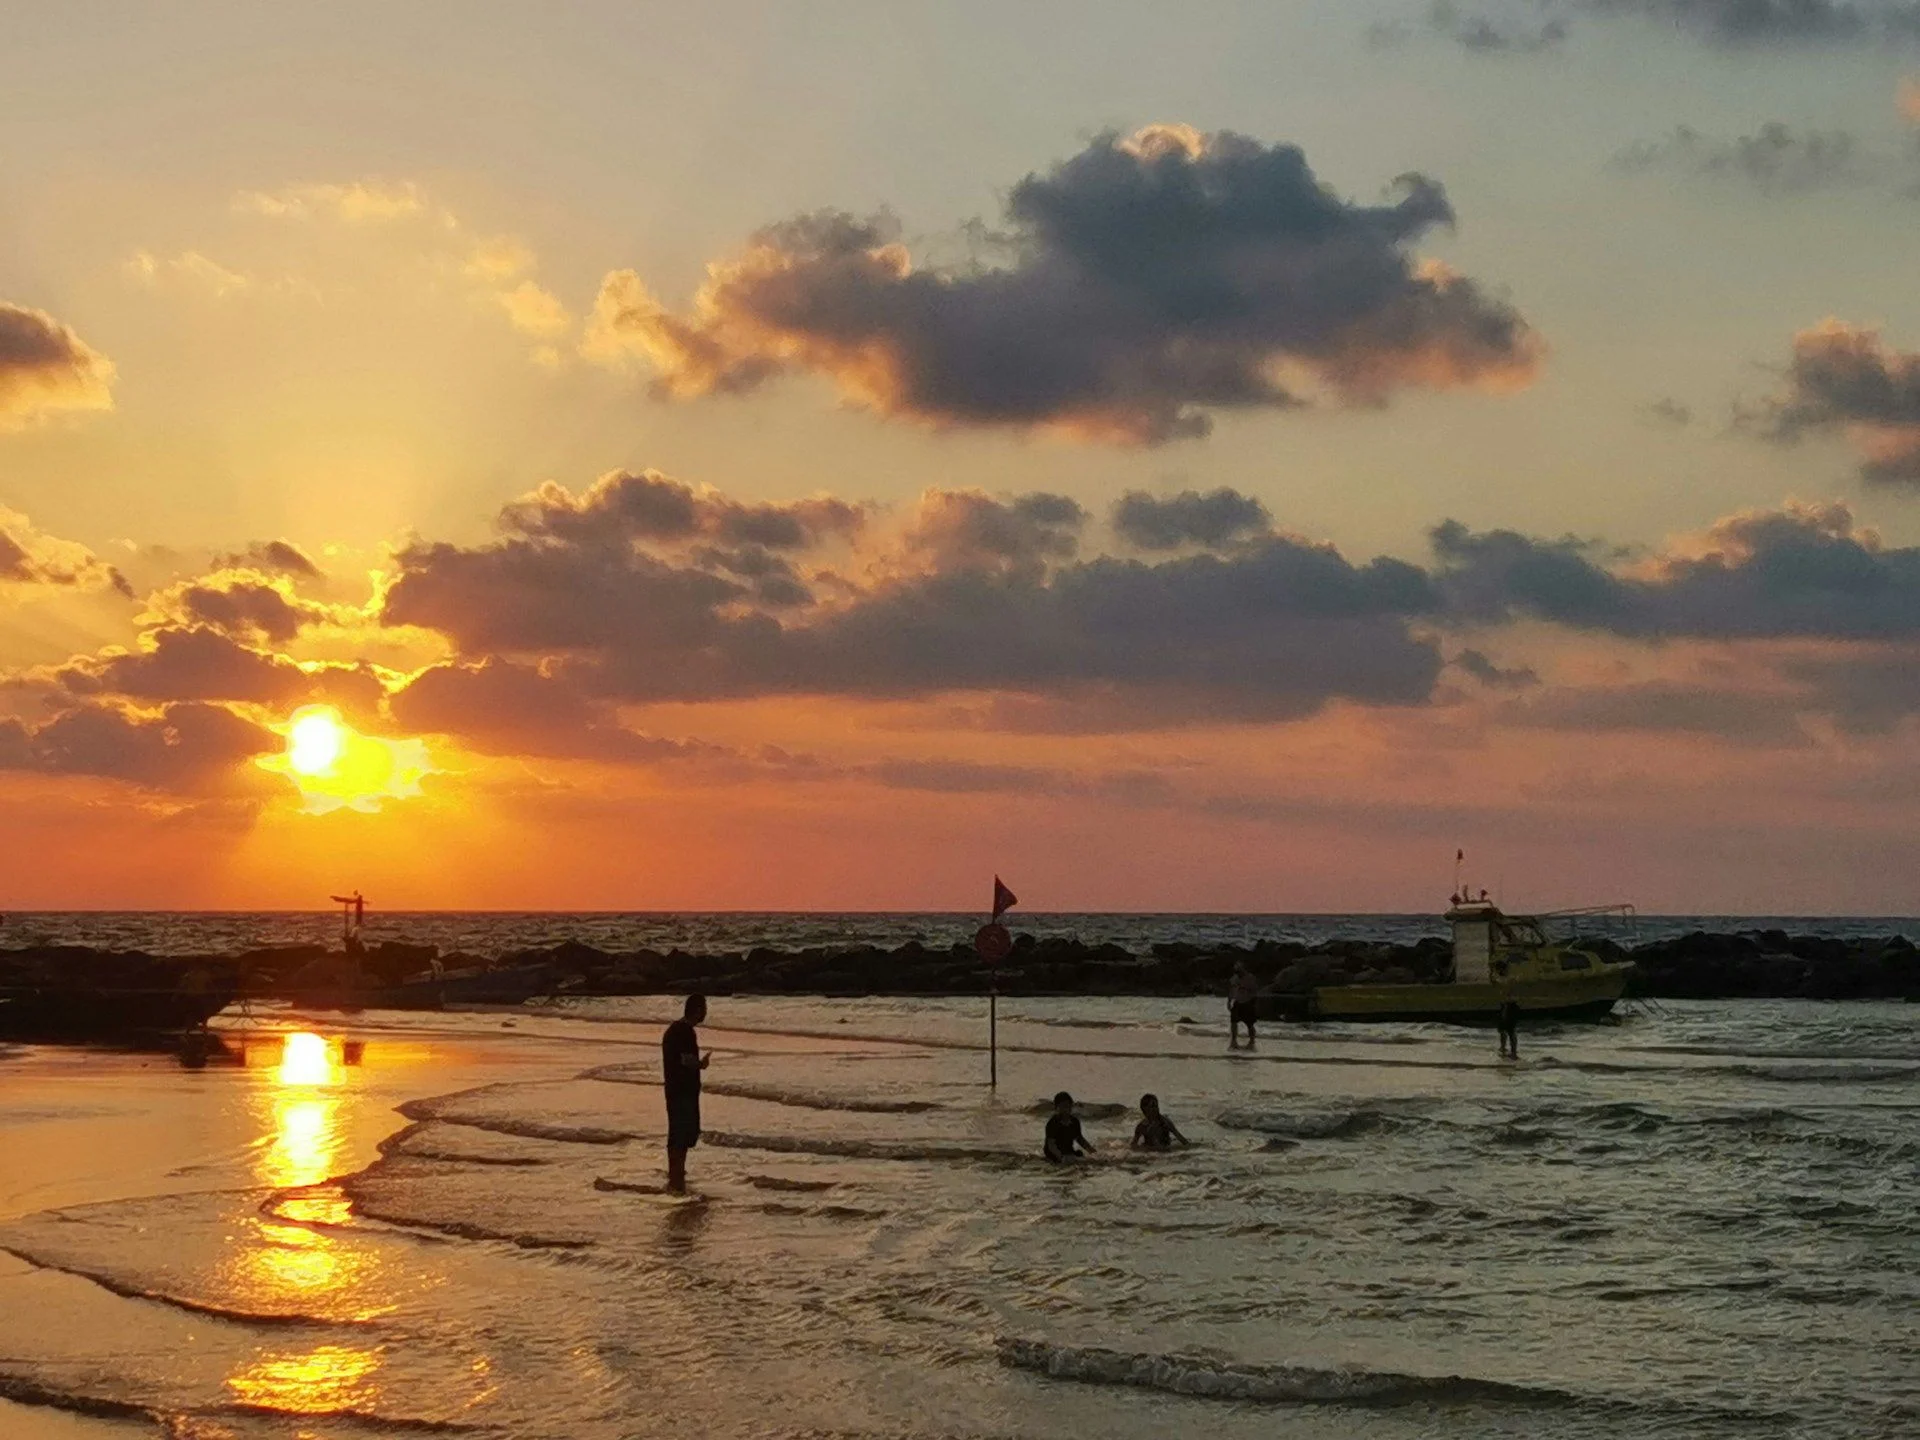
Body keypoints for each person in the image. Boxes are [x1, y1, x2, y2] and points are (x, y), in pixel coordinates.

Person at [662, 993, 710, 1192]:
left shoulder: (676, 1029)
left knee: (678, 1133)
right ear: (697, 1010)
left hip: (675, 1088)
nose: (706, 1013)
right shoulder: (684, 1032)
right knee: (681, 1134)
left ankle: (676, 1171)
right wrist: (701, 1064)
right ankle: (676, 1172)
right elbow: (686, 1059)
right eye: (704, 1009)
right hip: (682, 1090)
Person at [1043, 1091, 1094, 1163]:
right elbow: (1051, 1145)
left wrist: (1093, 1152)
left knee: (1083, 1158)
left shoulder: (1074, 1121)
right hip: (1053, 1154)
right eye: (1063, 1106)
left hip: (1068, 1151)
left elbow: (1080, 1139)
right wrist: (1060, 1157)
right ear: (1056, 1108)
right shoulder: (1053, 1123)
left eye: (1068, 1106)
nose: (1066, 1110)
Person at [1228, 960, 1258, 1049]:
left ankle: (1252, 1041)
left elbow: (1254, 991)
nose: (1237, 971)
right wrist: (1229, 1001)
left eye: (1239, 969)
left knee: (1250, 1024)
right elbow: (1231, 990)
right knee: (1233, 1022)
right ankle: (1233, 1041)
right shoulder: (1234, 979)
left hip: (1248, 1002)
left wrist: (1254, 1002)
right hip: (1237, 1002)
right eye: (1236, 969)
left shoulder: (1250, 978)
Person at [1497, 995, 1520, 1060]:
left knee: (1511, 1034)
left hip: (1510, 1014)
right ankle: (1503, 1048)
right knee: (1503, 1032)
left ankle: (1513, 1052)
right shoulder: (1504, 1005)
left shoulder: (1513, 1006)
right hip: (1505, 1012)